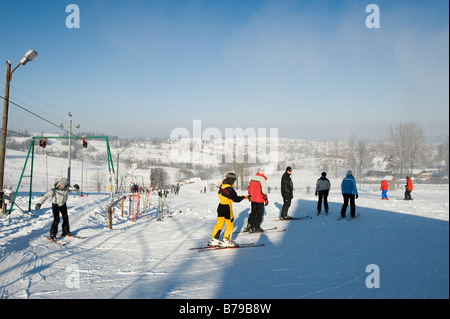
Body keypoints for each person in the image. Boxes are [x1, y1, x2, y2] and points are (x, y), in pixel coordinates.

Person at [209, 173, 250, 247]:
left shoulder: (222, 186)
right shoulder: (230, 189)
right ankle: (226, 240)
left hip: (220, 206)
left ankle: (214, 239)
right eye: (234, 180)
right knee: (230, 224)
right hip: (227, 208)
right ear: (232, 180)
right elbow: (236, 199)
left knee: (219, 223)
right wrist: (245, 197)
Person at [246, 168, 268, 232]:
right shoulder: (262, 179)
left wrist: (250, 195)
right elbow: (264, 190)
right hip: (259, 199)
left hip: (253, 198)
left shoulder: (253, 178)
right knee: (260, 213)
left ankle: (250, 225)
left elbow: (249, 188)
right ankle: (256, 226)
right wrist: (266, 199)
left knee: (253, 212)